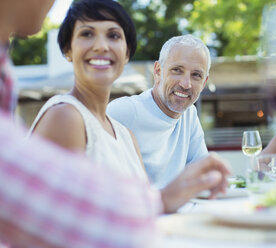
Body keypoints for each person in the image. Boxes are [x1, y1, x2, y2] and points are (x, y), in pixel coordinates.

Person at [0, 0, 230, 247]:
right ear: (67, 50)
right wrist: (162, 200)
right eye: (87, 34)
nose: (101, 46)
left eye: (113, 35)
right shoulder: (65, 117)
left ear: (127, 53)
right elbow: (45, 227)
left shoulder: (124, 134)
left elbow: (148, 215)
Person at [107, 35, 276, 188]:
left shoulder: (189, 115)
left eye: (196, 75)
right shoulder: (124, 112)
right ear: (158, 71)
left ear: (204, 82)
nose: (186, 84)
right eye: (177, 70)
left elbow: (204, 176)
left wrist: (259, 167)